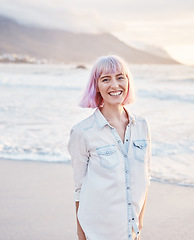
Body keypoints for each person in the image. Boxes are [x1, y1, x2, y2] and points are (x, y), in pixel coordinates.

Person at [68, 55, 151, 240]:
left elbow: (146, 177)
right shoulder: (82, 132)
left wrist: (139, 223)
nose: (115, 85)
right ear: (96, 86)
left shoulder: (142, 126)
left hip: (132, 232)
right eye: (106, 79)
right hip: (98, 231)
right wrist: (81, 234)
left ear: (128, 81)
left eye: (120, 77)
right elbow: (79, 188)